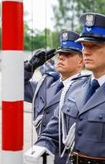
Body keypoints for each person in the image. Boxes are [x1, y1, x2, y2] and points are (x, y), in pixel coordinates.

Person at [25, 13, 105, 164]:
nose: (86, 51)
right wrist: (39, 151)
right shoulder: (73, 88)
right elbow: (52, 134)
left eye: (94, 45)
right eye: (84, 45)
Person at [24, 31, 84, 163]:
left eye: (68, 54)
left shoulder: (86, 89)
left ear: (81, 61)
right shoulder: (46, 84)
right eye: (60, 53)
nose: (61, 57)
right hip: (43, 153)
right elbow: (14, 88)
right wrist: (30, 67)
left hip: (68, 158)